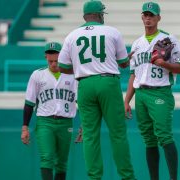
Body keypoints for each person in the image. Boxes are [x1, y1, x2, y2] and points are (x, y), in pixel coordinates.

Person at [57, 1, 136, 179]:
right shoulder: (112, 31)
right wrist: (118, 61)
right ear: (100, 15)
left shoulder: (71, 35)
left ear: (85, 16)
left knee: (90, 136)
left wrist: (81, 69)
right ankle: (127, 176)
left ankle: (94, 177)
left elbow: (62, 66)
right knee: (118, 134)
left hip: (84, 84)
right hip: (107, 82)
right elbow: (124, 63)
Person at [124, 2, 180, 180]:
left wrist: (164, 63)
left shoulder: (169, 39)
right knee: (149, 140)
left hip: (160, 92)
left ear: (159, 18)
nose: (148, 18)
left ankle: (173, 178)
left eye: (152, 15)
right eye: (146, 15)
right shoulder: (136, 43)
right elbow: (133, 74)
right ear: (142, 17)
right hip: (141, 94)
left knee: (164, 137)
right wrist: (127, 100)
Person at [21, 42, 78, 180]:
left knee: (62, 162)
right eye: (50, 61)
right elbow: (29, 103)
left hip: (66, 122)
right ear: (45, 57)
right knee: (47, 157)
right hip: (45, 121)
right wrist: (25, 127)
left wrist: (84, 126)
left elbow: (81, 102)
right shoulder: (37, 75)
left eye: (57, 61)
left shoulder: (73, 75)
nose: (54, 64)